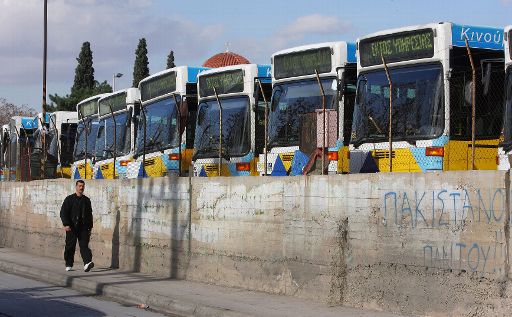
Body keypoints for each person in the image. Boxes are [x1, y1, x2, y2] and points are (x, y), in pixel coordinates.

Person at [60, 179, 94, 272]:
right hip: (72, 227)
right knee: (70, 246)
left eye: (83, 186)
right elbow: (63, 212)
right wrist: (66, 224)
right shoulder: (69, 199)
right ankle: (69, 264)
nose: (81, 188)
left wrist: (90, 227)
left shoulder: (87, 200)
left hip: (83, 228)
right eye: (79, 186)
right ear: (76, 187)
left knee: (84, 246)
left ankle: (87, 263)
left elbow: (89, 214)